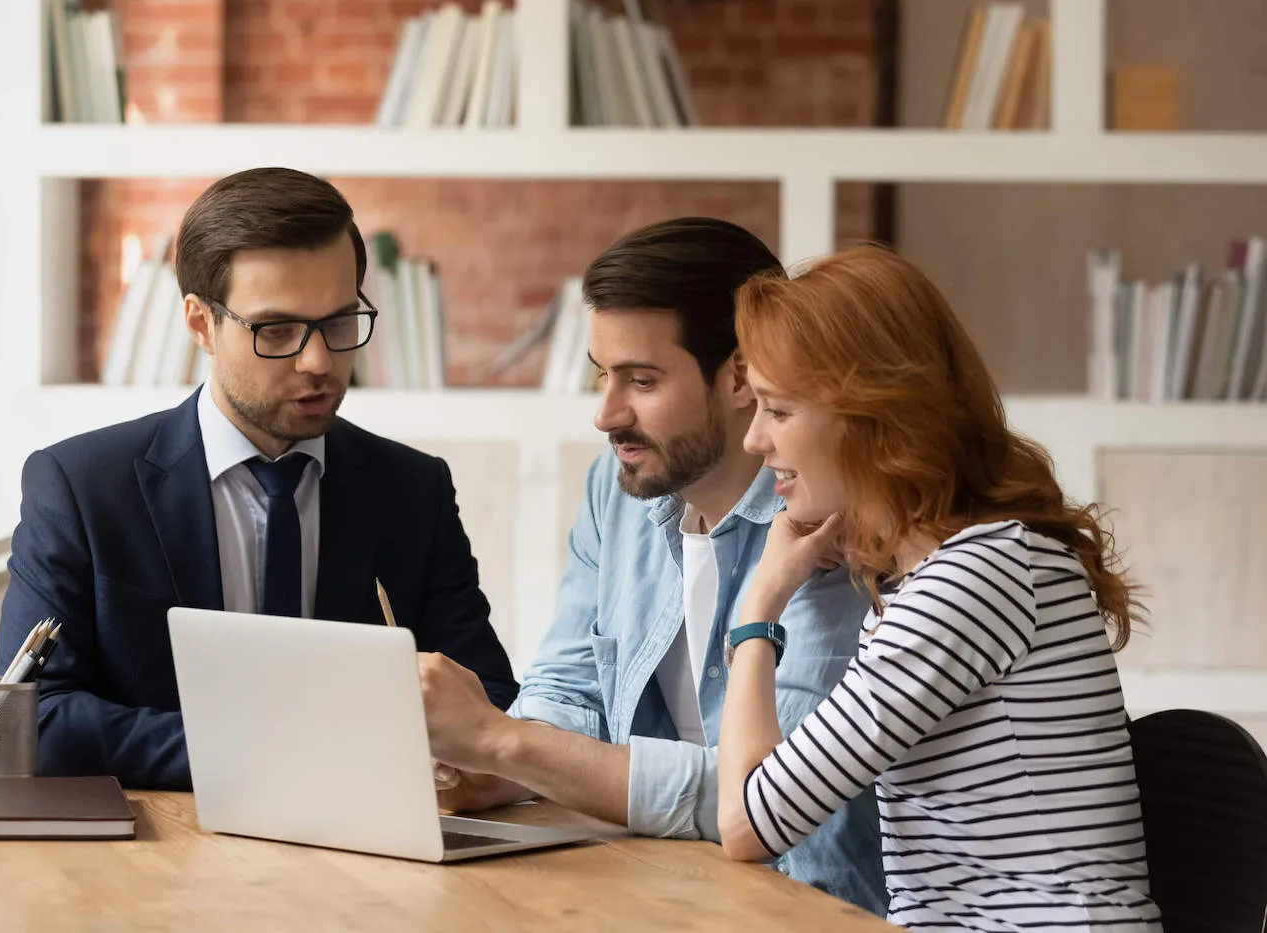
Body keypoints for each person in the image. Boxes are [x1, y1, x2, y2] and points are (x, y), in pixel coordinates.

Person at [417, 218, 887, 914]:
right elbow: (568, 687)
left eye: (641, 379)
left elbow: (775, 796)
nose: (607, 414)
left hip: (814, 904)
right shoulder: (620, 491)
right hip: (656, 884)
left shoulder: (826, 516)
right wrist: (489, 770)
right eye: (602, 375)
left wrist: (508, 744)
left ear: (738, 376)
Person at [0, 167, 518, 789]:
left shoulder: (414, 490)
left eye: (340, 322)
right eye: (277, 330)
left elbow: (488, 701)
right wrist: (273, 755)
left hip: (368, 854)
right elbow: (34, 717)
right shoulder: (79, 487)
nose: (319, 361)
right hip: (153, 859)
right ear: (199, 324)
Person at [716, 244, 1162, 930]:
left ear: (870, 414)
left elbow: (749, 823)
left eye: (778, 410)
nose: (754, 441)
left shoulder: (974, 579)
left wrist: (761, 605)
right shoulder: (957, 572)